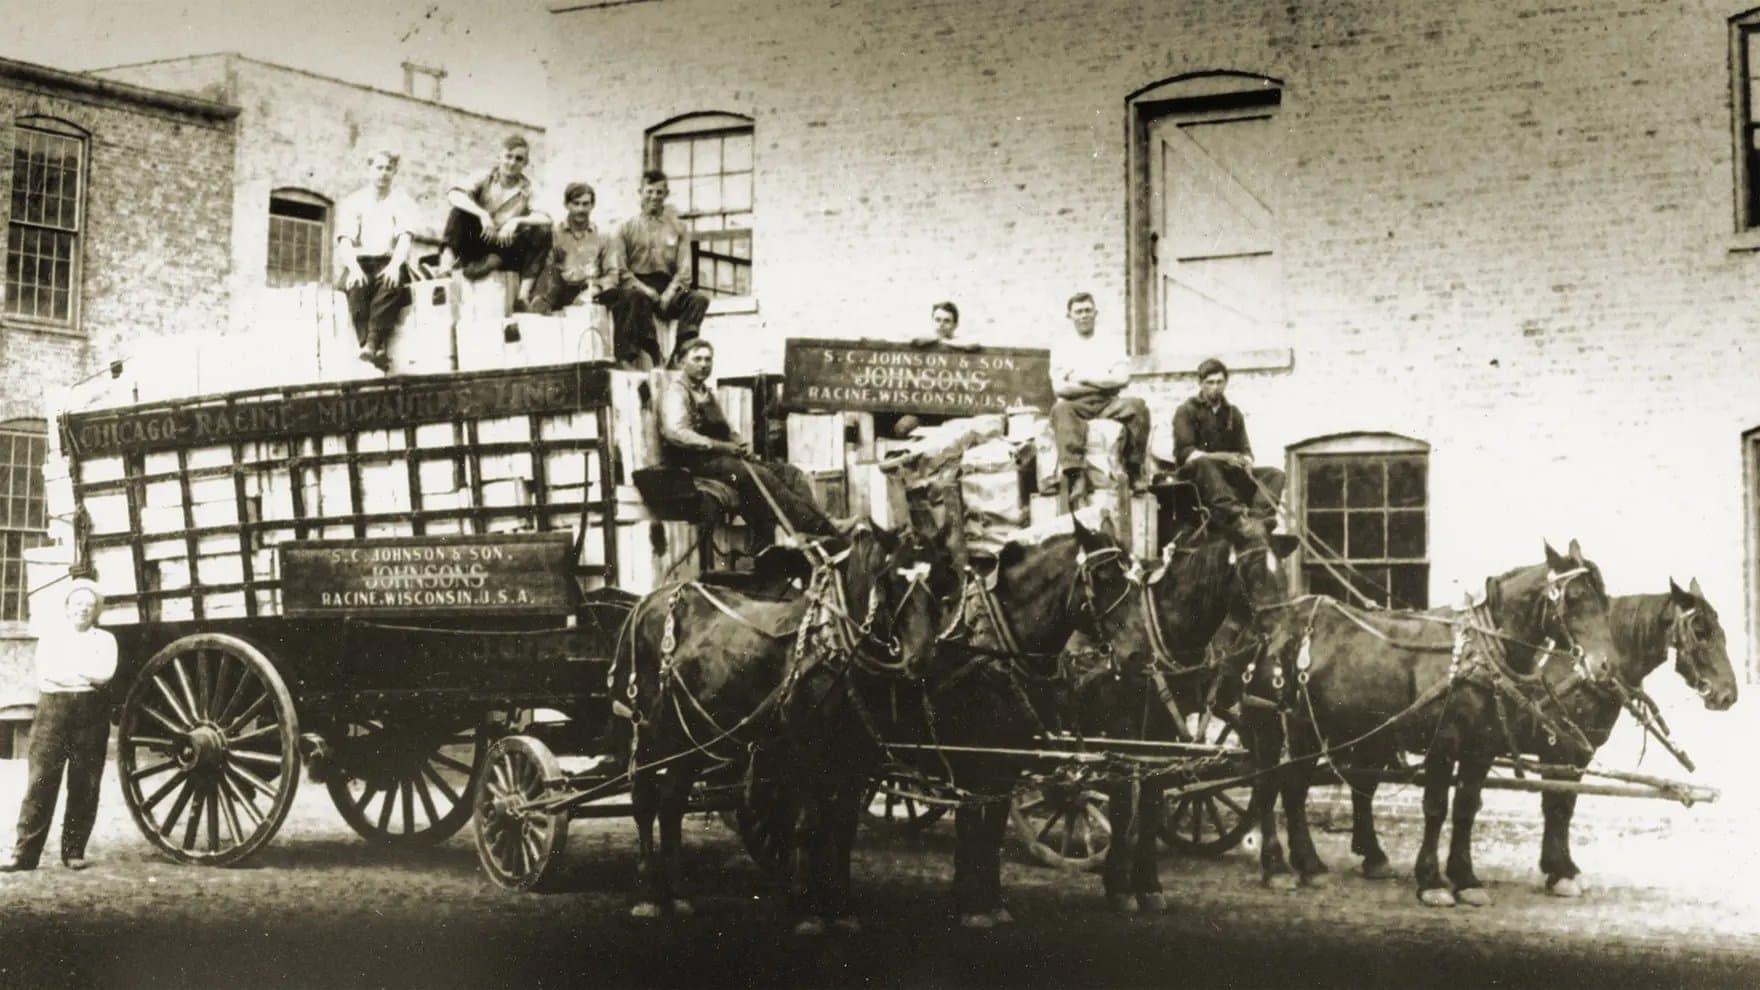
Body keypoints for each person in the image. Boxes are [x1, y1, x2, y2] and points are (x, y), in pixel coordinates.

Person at [659, 338, 855, 540]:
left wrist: (739, 444)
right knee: (760, 475)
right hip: (694, 462)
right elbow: (677, 433)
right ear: (681, 362)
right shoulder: (677, 391)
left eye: (708, 359)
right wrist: (722, 447)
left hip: (720, 457)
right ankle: (818, 527)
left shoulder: (704, 391)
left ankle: (826, 521)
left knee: (790, 473)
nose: (703, 364)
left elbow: (725, 428)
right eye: (697, 359)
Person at [2, 580, 117, 873]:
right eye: (77, 605)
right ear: (67, 609)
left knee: (85, 782)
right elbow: (48, 674)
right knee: (40, 782)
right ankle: (24, 854)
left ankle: (74, 851)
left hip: (91, 713)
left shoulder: (105, 641)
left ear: (95, 612)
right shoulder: (52, 638)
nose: (82, 610)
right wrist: (82, 673)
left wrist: (72, 670)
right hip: (53, 711)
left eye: (88, 606)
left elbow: (104, 674)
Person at [1047, 292, 1150, 501]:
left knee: (1138, 407)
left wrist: (1084, 379)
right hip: (1077, 404)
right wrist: (1103, 382)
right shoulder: (1061, 345)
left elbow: (1123, 378)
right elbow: (1061, 389)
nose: (1084, 315)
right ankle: (1076, 475)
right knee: (1060, 410)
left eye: (1088, 310)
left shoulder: (1110, 341)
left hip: (1108, 402)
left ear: (1096, 313)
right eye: (1078, 312)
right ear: (1070, 316)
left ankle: (1134, 469)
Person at [1172, 357, 1285, 531]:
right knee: (1205, 463)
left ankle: (1257, 519)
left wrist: (1245, 461)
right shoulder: (1187, 410)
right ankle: (1235, 515)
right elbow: (1187, 453)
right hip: (1196, 475)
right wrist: (1223, 457)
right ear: (1200, 383)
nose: (1215, 387)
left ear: (1226, 383)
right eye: (1210, 382)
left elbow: (1245, 450)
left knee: (1275, 474)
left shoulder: (1233, 413)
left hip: (1227, 474)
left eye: (1220, 382)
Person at [442, 134, 552, 308]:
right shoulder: (483, 177)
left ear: (525, 163)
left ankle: (523, 295)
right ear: (499, 157)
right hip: (478, 240)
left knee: (543, 231)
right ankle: (445, 267)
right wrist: (482, 214)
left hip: (506, 246)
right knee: (459, 212)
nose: (512, 163)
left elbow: (547, 217)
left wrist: (516, 221)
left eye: (519, 159)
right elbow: (453, 195)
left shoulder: (529, 188)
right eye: (508, 156)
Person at [614, 170, 710, 368]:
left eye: (659, 192)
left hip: (668, 288)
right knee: (634, 299)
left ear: (666, 194)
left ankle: (680, 353)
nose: (654, 197)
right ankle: (647, 354)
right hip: (638, 287)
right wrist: (645, 290)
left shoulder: (678, 228)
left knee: (698, 300)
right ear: (640, 192)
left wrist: (668, 294)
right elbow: (621, 270)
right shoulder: (626, 227)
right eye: (649, 191)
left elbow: (684, 271)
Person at [334, 150, 420, 372]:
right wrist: (353, 269)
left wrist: (394, 266)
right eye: (378, 168)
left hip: (388, 260)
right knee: (355, 287)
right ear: (369, 170)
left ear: (395, 172)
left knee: (390, 285)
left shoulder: (402, 201)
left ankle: (370, 344)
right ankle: (375, 347)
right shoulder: (355, 201)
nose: (383, 173)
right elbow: (345, 240)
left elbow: (404, 237)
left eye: (388, 168)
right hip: (360, 261)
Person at [528, 182, 622, 316]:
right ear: (566, 205)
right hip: (560, 289)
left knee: (613, 295)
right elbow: (546, 268)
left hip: (589, 289)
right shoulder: (554, 233)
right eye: (576, 203)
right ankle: (541, 305)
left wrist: (593, 290)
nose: (581, 209)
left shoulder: (603, 236)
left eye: (585, 204)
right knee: (550, 273)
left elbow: (612, 275)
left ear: (592, 205)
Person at [910, 300, 979, 351]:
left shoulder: (959, 341)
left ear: (955, 325)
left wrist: (944, 341)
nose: (941, 325)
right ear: (932, 321)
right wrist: (937, 339)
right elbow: (914, 340)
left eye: (947, 321)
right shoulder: (926, 339)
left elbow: (974, 344)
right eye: (937, 320)